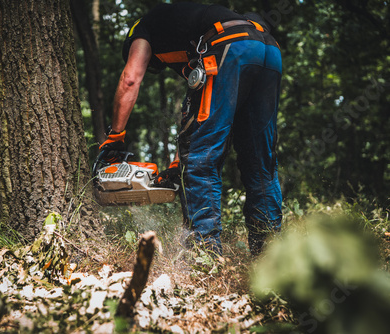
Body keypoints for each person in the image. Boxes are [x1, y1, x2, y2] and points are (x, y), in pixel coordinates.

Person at [98, 2, 282, 256]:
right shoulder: (187, 29)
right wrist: (177, 162)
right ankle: (271, 256)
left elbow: (130, 79)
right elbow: (195, 118)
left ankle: (204, 255)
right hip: (267, 49)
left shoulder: (143, 28)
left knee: (201, 161)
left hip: (227, 47)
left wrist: (115, 138)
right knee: (261, 163)